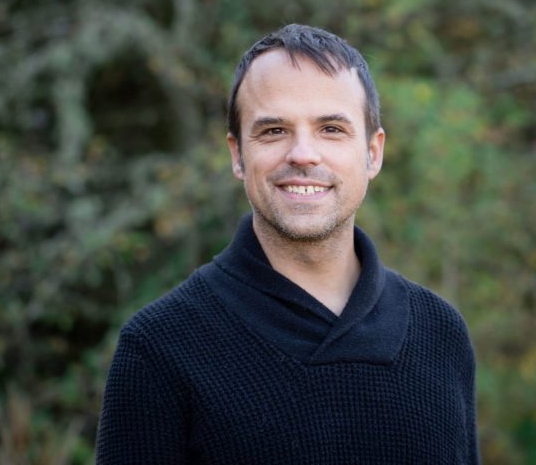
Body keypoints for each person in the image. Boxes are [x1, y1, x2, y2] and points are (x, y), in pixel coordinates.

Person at [96, 24, 480, 464]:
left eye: (331, 129)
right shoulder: (160, 348)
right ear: (237, 154)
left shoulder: (440, 333)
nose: (302, 154)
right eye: (274, 130)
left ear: (373, 153)